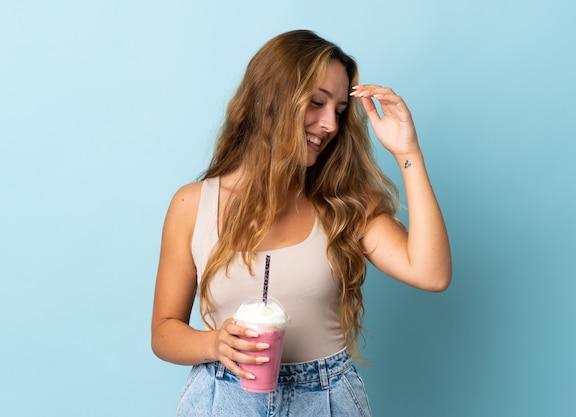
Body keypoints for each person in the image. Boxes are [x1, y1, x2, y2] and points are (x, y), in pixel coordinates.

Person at [151, 29, 451, 417]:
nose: (329, 124)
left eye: (340, 111)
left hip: (325, 399)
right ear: (271, 100)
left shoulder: (342, 204)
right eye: (316, 103)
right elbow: (164, 330)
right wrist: (214, 344)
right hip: (223, 398)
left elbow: (432, 273)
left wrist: (408, 151)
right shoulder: (192, 205)